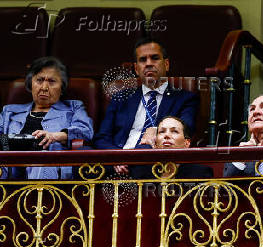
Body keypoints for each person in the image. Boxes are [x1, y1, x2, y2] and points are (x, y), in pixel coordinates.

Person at [94, 37, 199, 175]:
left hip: (152, 162)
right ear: (136, 69)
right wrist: (116, 157)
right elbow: (102, 137)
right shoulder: (122, 97)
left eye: (155, 58)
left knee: (146, 159)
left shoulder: (185, 98)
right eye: (143, 60)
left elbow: (186, 128)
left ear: (166, 64)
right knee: (79, 155)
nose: (149, 64)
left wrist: (157, 130)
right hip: (116, 162)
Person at [0, 56, 93, 179]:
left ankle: (37, 198)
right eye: (39, 80)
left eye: (52, 81)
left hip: (48, 167)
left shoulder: (73, 108)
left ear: (62, 87)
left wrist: (56, 136)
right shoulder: (9, 111)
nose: (44, 87)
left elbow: (86, 131)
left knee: (42, 159)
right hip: (9, 169)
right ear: (30, 83)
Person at [130, 116, 213, 179]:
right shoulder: (141, 171)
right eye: (162, 132)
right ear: (155, 144)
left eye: (174, 131)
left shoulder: (200, 173)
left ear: (186, 143)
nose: (167, 135)